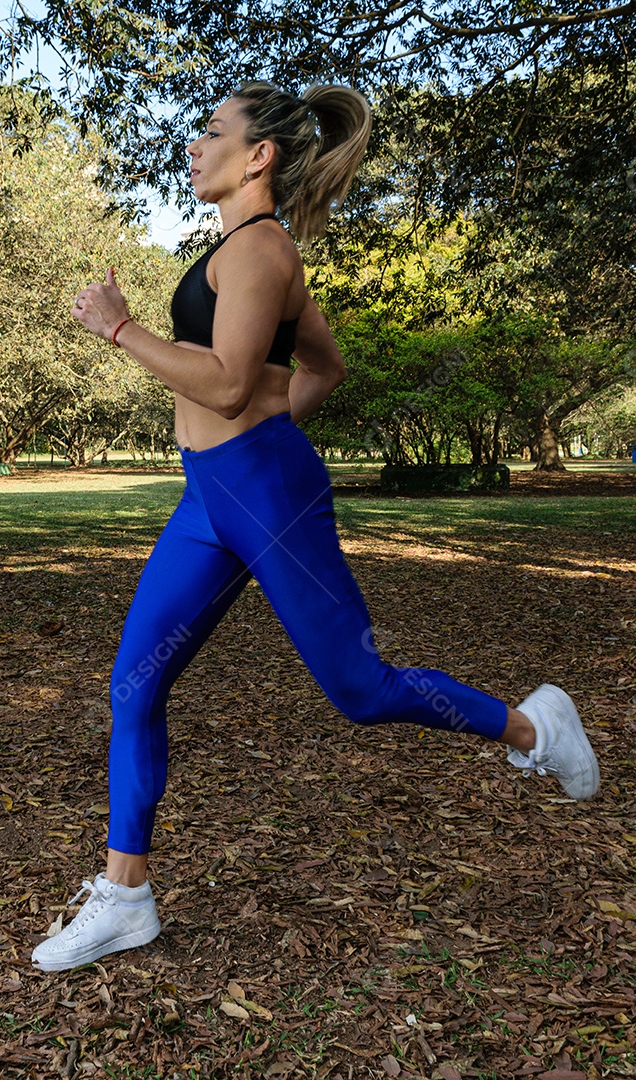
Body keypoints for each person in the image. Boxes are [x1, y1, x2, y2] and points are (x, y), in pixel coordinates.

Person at [31, 82, 599, 973]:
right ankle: (125, 896)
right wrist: (271, 410)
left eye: (209, 132)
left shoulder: (260, 251)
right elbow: (322, 365)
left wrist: (122, 331)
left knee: (359, 691)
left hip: (265, 493)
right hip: (210, 496)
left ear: (257, 155)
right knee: (135, 683)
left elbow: (220, 382)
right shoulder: (235, 250)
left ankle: (532, 729)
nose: (193, 145)